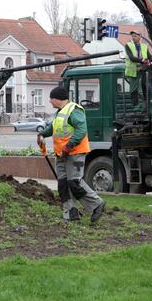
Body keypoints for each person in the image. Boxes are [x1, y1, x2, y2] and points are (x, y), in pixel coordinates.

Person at [37, 86, 105, 223]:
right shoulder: (60, 112)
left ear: (57, 98)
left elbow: (82, 130)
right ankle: (71, 215)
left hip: (74, 153)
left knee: (74, 182)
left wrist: (68, 147)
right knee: (63, 185)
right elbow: (53, 128)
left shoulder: (74, 110)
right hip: (62, 154)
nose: (49, 101)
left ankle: (96, 204)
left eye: (51, 98)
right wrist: (42, 134)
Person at [125, 31, 152, 106]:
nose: (133, 38)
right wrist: (142, 60)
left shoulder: (144, 46)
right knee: (133, 90)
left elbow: (149, 56)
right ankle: (135, 105)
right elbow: (132, 58)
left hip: (143, 69)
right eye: (132, 36)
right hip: (133, 71)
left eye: (135, 36)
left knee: (145, 86)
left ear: (140, 36)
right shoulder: (128, 45)